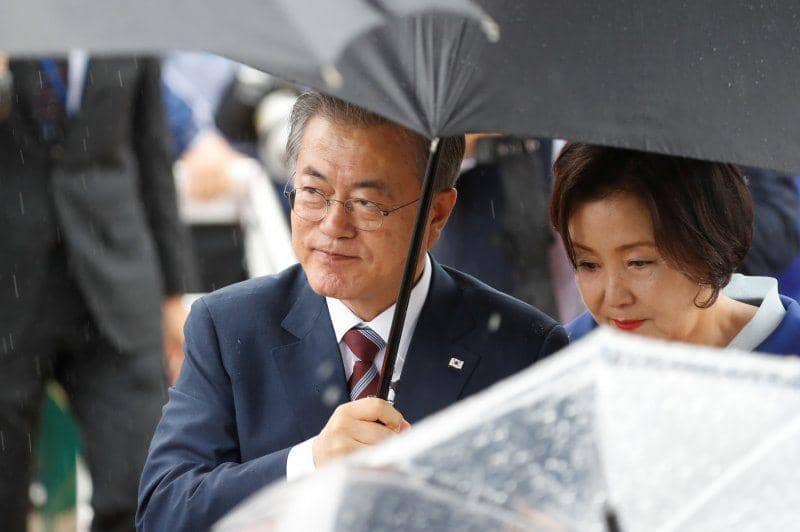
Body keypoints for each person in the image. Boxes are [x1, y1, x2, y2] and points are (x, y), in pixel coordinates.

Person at [137, 92, 569, 530]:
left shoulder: (523, 349)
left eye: (366, 203)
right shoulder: (230, 327)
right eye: (313, 193)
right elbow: (164, 510)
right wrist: (309, 462)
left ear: (437, 214)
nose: (332, 226)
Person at [0, 53, 196, 531]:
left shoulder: (125, 17)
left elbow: (152, 157)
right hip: (9, 290)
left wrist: (176, 291)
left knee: (137, 489)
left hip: (116, 286)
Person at [550, 143, 800, 353]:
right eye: (588, 264)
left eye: (638, 263)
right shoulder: (564, 358)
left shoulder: (788, 352)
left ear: (708, 243)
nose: (614, 298)